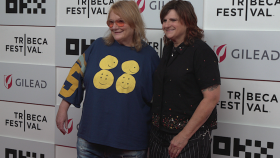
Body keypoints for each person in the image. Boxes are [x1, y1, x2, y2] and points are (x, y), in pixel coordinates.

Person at [56, 1, 160, 157]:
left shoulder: (149, 56)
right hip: (90, 141)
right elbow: (76, 74)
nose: (114, 26)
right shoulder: (98, 46)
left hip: (130, 145)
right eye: (110, 22)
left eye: (120, 21)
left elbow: (158, 101)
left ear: (134, 22)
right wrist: (63, 107)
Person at [149, 0, 221, 158]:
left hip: (189, 140)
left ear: (188, 21)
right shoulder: (169, 49)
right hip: (158, 137)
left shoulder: (201, 51)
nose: (167, 25)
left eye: (173, 20)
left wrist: (184, 136)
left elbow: (211, 98)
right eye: (164, 20)